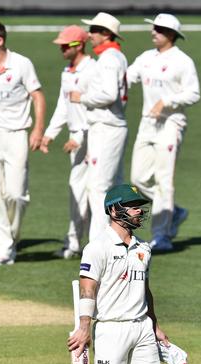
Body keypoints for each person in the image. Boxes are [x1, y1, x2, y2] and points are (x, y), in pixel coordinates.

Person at [0, 22, 46, 266]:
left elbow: (38, 96)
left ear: (0, 41)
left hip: (16, 134)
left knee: (15, 194)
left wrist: (38, 129)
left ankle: (11, 236)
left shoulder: (21, 64)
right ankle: (1, 250)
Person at [67, 184, 170, 364]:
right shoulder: (97, 247)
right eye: (133, 206)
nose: (139, 211)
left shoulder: (144, 248)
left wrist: (154, 326)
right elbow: (87, 290)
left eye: (139, 206)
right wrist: (84, 328)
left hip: (143, 327)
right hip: (111, 330)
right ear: (114, 210)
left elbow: (145, 290)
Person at [127, 14, 200, 251]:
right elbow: (127, 77)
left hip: (171, 124)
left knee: (164, 181)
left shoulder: (183, 61)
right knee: (138, 178)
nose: (153, 32)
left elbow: (193, 93)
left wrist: (167, 101)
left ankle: (162, 236)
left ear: (171, 35)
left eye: (158, 29)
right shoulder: (146, 58)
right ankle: (174, 212)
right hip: (147, 124)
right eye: (153, 28)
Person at [70, 12, 129, 242]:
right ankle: (116, 240)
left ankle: (100, 245)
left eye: (94, 30)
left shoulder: (109, 59)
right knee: (111, 186)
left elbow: (108, 94)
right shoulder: (114, 56)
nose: (90, 34)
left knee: (98, 188)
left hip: (107, 126)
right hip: (108, 125)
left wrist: (82, 97)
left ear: (106, 34)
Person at [40, 25, 93, 259]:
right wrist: (50, 134)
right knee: (79, 192)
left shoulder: (93, 70)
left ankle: (75, 242)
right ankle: (78, 242)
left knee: (86, 192)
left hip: (92, 138)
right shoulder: (67, 72)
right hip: (76, 139)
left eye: (65, 45)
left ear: (79, 45)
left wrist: (80, 136)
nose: (61, 48)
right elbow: (64, 106)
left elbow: (98, 109)